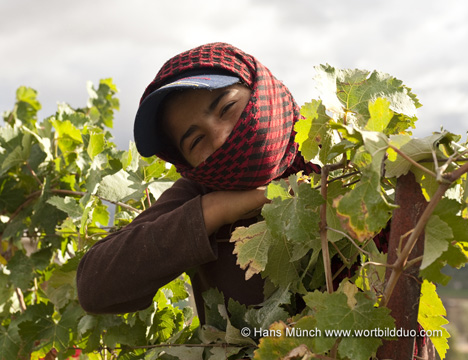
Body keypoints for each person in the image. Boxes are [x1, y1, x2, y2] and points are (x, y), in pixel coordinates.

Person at [76, 42, 319, 323]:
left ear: (260, 88)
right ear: (186, 163)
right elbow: (94, 285)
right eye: (196, 140)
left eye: (227, 107)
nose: (221, 136)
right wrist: (213, 210)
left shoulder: (340, 153)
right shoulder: (200, 193)